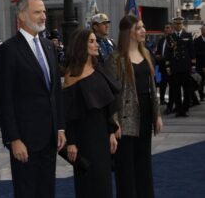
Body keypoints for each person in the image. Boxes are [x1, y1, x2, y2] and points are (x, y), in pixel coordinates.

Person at [0, 0, 66, 198]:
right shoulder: (8, 50)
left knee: (47, 191)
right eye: (37, 12)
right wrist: (13, 139)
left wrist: (60, 126)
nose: (43, 16)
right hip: (24, 140)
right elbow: (3, 99)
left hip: (50, 138)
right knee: (27, 192)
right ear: (22, 16)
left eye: (44, 11)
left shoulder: (49, 47)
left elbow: (55, 92)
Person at [105, 15, 163, 198]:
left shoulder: (146, 53)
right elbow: (110, 94)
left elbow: (152, 86)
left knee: (144, 163)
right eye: (139, 28)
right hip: (125, 119)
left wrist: (157, 114)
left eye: (143, 27)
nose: (143, 31)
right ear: (128, 32)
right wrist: (114, 123)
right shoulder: (115, 59)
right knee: (126, 168)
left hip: (145, 115)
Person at [63, 29, 120, 198]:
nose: (96, 44)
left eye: (96, 41)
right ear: (82, 45)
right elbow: (68, 113)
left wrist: (111, 132)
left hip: (102, 133)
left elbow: (107, 104)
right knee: (86, 183)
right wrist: (71, 142)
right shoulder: (71, 75)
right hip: (82, 137)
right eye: (92, 41)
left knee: (104, 181)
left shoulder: (99, 68)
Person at [164, 16, 196, 117]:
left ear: (182, 24)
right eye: (176, 24)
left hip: (186, 66)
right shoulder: (170, 37)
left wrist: (193, 65)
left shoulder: (188, 35)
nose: (178, 25)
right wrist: (168, 66)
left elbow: (192, 51)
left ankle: (185, 108)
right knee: (176, 89)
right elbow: (167, 53)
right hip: (175, 66)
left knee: (187, 89)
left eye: (180, 24)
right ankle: (178, 109)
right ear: (174, 25)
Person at [155, 23, 174, 110]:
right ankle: (162, 99)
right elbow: (158, 51)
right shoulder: (161, 40)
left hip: (170, 66)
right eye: (165, 28)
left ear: (171, 29)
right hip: (162, 65)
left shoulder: (173, 40)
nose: (165, 29)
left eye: (167, 28)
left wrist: (163, 57)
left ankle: (171, 100)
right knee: (162, 83)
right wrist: (157, 55)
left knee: (171, 84)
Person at [194, 24, 205, 101]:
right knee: (201, 81)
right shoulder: (197, 41)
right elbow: (196, 53)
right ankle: (201, 95)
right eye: (203, 30)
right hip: (200, 65)